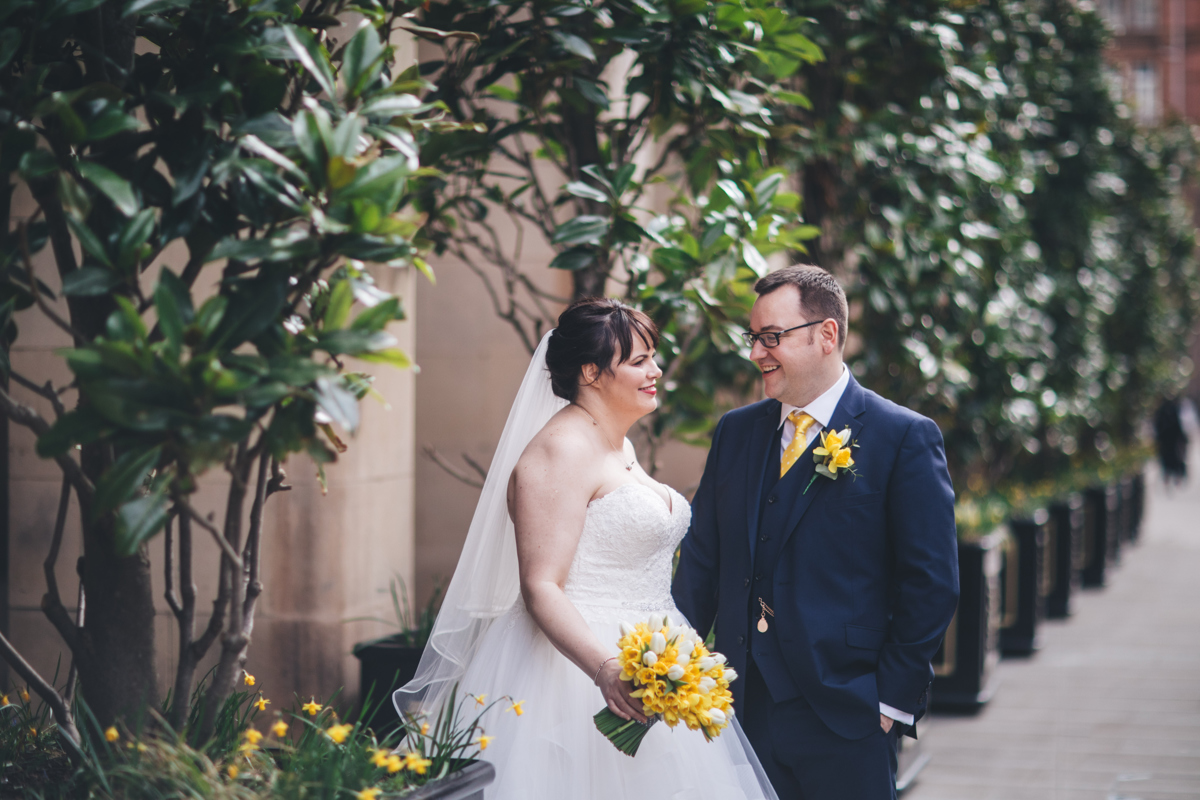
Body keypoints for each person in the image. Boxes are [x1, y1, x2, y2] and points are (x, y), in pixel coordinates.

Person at [395, 298, 777, 799]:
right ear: (591, 372)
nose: (656, 370)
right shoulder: (561, 450)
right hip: (571, 670)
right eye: (639, 361)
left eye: (652, 357)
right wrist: (605, 668)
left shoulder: (620, 445)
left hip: (651, 656)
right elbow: (541, 584)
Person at [672, 264, 960, 800]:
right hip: (739, 712)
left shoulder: (903, 437)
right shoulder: (736, 432)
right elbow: (703, 564)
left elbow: (931, 582)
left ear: (827, 335)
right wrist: (674, 677)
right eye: (753, 338)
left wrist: (887, 705)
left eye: (771, 337)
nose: (757, 352)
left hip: (846, 715)